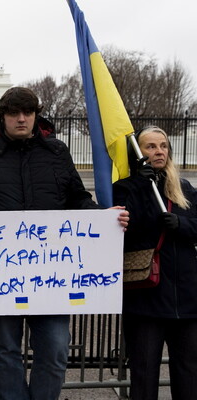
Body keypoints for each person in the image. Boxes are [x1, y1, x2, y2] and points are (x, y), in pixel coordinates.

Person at [0, 87, 129, 400]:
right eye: (14, 113)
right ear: (2, 116)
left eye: (28, 113)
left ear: (35, 115)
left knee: (55, 351)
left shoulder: (56, 152)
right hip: (0, 274)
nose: (21, 119)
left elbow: (77, 199)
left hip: (51, 277)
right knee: (5, 351)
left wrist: (102, 217)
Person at [113, 126, 197, 400]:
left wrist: (181, 224)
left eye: (162, 146)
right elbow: (128, 232)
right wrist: (141, 185)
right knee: (144, 370)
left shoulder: (183, 188)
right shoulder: (125, 189)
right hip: (146, 296)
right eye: (150, 146)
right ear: (137, 153)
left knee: (188, 371)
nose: (158, 151)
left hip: (186, 298)